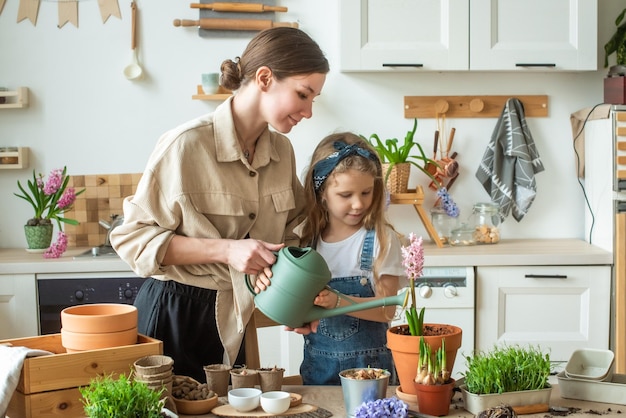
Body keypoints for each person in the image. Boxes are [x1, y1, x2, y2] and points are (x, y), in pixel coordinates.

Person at [109, 27, 329, 383]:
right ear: (264, 78)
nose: (308, 111)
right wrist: (227, 250)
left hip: (237, 319)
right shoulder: (185, 145)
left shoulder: (282, 153)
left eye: (314, 99)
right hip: (174, 316)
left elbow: (293, 239)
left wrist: (299, 301)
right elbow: (131, 239)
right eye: (303, 95)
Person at [260, 132, 406, 385]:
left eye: (366, 192)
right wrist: (301, 316)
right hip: (319, 370)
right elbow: (308, 306)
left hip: (370, 374)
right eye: (346, 195)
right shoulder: (307, 241)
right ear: (322, 194)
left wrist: (339, 301)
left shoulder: (381, 240)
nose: (358, 204)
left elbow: (387, 309)